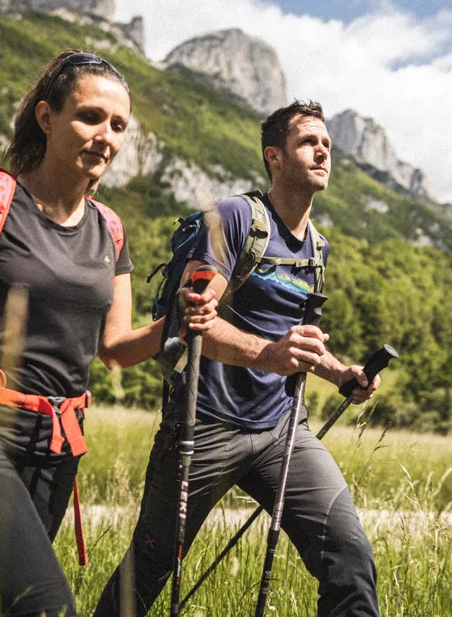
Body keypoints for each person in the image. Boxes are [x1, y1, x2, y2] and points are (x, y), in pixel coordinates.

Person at [0, 50, 217, 617]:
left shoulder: (109, 229)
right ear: (46, 117)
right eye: (89, 116)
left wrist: (175, 321)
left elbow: (114, 349)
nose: (105, 135)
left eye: (118, 125)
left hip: (55, 451)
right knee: (44, 606)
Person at [93, 100, 383, 617]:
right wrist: (267, 355)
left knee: (350, 557)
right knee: (149, 569)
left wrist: (340, 372)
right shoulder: (235, 219)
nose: (323, 151)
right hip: (205, 427)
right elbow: (193, 320)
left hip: (282, 430)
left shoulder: (316, 247)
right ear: (275, 157)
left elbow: (294, 337)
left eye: (327, 145)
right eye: (308, 142)